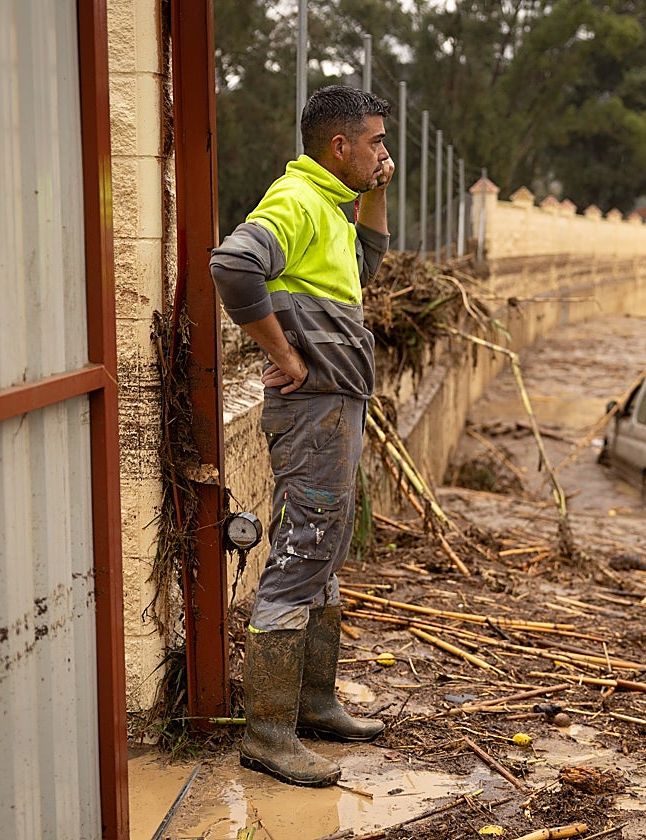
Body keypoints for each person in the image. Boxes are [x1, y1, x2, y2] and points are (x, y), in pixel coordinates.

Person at [209, 85, 394, 787]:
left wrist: (374, 194)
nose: (384, 153)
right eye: (374, 142)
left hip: (334, 405)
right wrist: (285, 356)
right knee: (301, 553)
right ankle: (268, 735)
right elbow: (233, 265)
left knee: (324, 551)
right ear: (338, 146)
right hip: (312, 406)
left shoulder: (327, 205)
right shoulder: (295, 201)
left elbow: (362, 272)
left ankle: (314, 705)